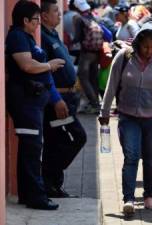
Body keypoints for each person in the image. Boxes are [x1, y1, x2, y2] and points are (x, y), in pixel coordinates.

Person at [98, 21, 152, 214]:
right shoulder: (123, 57)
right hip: (128, 117)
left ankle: (149, 195)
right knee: (131, 156)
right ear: (138, 43)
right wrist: (105, 112)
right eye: (145, 46)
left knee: (151, 158)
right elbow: (111, 85)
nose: (149, 50)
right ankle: (129, 199)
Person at [5, 0, 66, 210]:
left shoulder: (26, 36)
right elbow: (26, 64)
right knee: (32, 150)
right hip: (25, 102)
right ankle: (36, 198)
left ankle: (27, 194)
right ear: (24, 20)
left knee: (30, 149)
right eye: (36, 20)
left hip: (32, 102)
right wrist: (49, 65)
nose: (38, 23)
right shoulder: (17, 37)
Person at [40, 0, 87, 198]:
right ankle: (47, 177)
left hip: (68, 98)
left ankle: (53, 185)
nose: (60, 15)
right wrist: (56, 99)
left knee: (56, 142)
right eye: (56, 12)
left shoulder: (53, 34)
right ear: (44, 16)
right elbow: (45, 73)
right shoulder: (42, 37)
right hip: (57, 102)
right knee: (78, 137)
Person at [73, 0, 103, 113]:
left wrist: (71, 42)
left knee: (83, 77)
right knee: (93, 79)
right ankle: (95, 104)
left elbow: (77, 37)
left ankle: (94, 104)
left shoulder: (78, 18)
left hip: (86, 53)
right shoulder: (93, 17)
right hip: (96, 53)